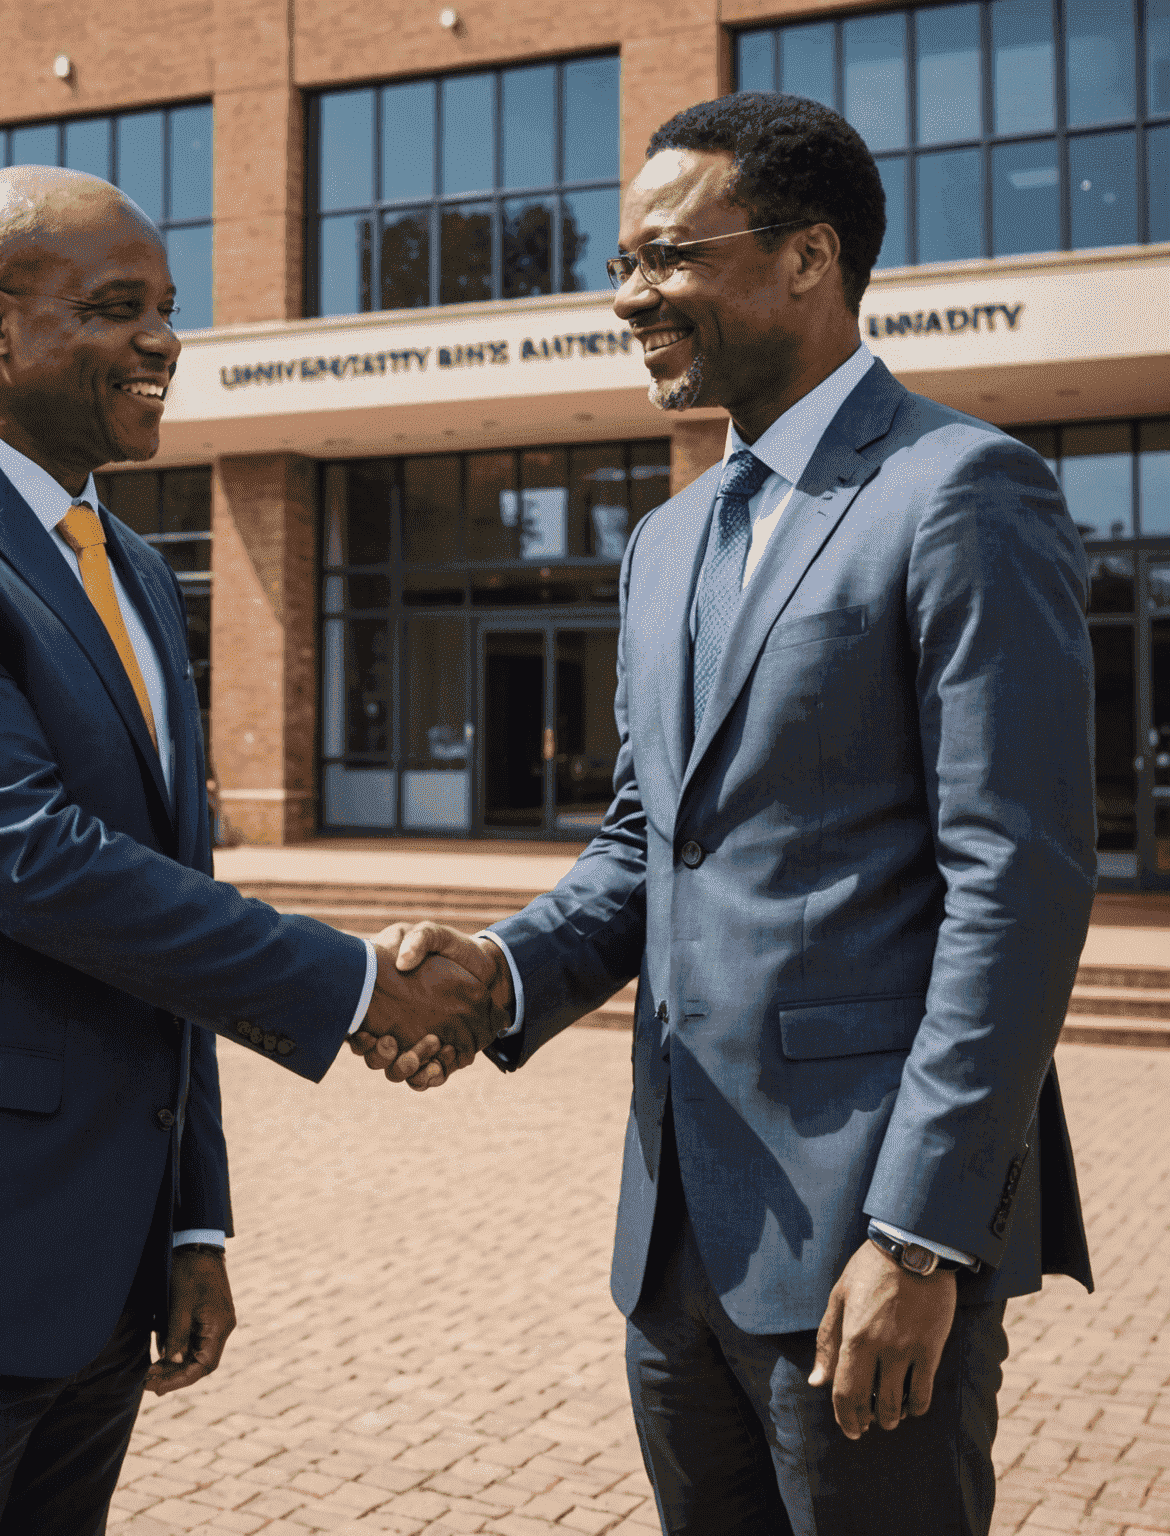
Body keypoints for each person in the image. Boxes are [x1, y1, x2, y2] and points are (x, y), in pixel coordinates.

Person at [0, 165, 499, 1534]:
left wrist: (192, 1222)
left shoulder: (132, 566)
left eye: (169, 309)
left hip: (104, 1256)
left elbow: (166, 901)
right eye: (119, 308)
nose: (164, 342)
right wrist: (363, 988)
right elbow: (41, 863)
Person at [366, 93, 1096, 1534]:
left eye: (667, 258)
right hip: (678, 1230)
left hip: (866, 1239)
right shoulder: (668, 536)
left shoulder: (963, 493)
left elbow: (1014, 884)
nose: (628, 294)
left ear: (810, 257)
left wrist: (921, 1237)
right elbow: (653, 843)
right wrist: (500, 973)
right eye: (624, 261)